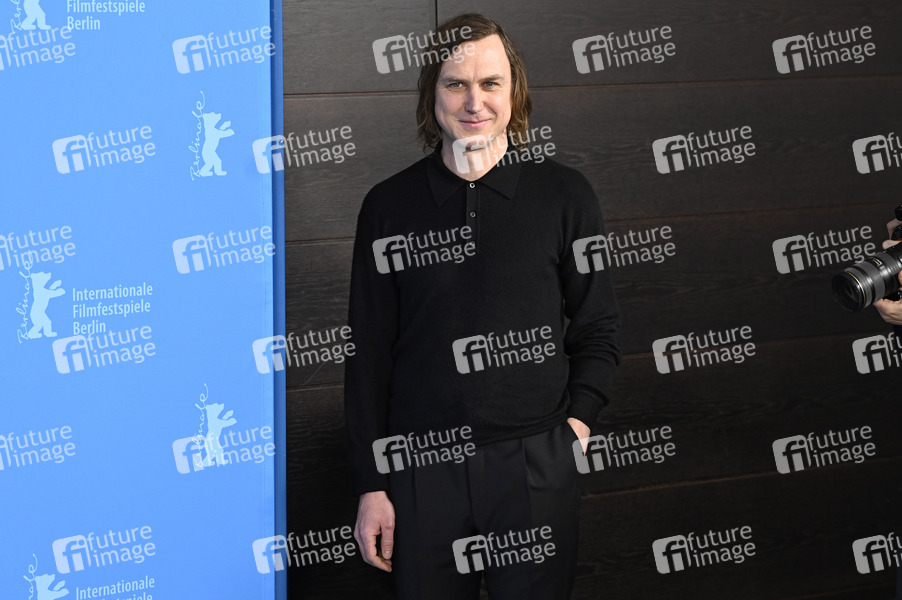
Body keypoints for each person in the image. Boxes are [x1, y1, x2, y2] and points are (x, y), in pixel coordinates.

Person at [344, 13, 621, 599]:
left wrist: (575, 428)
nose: (474, 102)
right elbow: (367, 355)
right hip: (420, 472)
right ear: (432, 93)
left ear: (514, 91)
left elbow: (597, 327)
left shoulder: (566, 195)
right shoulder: (387, 207)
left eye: (490, 83)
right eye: (456, 84)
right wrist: (372, 484)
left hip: (535, 463)